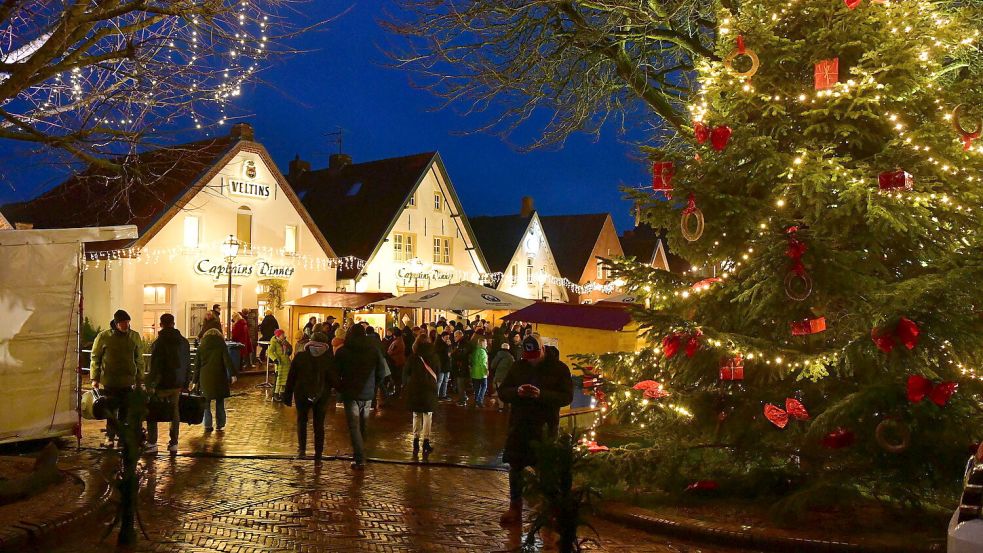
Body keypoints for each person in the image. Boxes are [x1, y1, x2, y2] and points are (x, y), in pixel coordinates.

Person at [497, 334, 573, 526]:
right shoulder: (518, 366)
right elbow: (503, 391)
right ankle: (515, 508)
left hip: (544, 428)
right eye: (528, 356)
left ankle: (549, 510)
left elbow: (566, 397)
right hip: (519, 426)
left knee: (545, 470)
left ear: (543, 349)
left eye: (535, 356)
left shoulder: (559, 369)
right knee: (516, 468)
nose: (531, 361)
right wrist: (517, 392)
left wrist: (542, 395)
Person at [335, 324, 390, 470]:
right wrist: (373, 385)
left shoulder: (343, 351)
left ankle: (359, 457)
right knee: (363, 423)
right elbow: (381, 372)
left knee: (354, 426)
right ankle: (361, 451)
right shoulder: (373, 350)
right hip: (367, 393)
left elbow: (335, 373)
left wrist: (340, 387)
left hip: (350, 393)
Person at [90, 310, 144, 448]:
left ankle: (121, 437)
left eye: (127, 322)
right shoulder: (104, 337)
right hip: (110, 381)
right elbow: (95, 358)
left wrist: (139, 378)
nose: (126, 325)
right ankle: (110, 436)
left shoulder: (134, 336)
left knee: (125, 410)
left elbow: (139, 358)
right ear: (116, 323)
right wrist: (94, 378)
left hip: (128, 381)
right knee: (111, 410)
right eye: (123, 323)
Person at [283, 331, 338, 462]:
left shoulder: (300, 356)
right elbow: (333, 379)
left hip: (301, 393)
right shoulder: (328, 358)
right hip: (321, 395)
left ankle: (301, 450)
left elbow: (291, 377)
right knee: (319, 424)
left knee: (302, 421)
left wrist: (287, 396)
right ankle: (318, 453)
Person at [146, 313, 190, 455]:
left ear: (161, 324)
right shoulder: (184, 342)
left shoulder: (159, 343)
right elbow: (187, 364)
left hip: (162, 384)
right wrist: (186, 382)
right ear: (173, 323)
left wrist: (151, 384)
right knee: (174, 412)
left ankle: (152, 442)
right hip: (177, 383)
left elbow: (155, 366)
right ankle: (174, 443)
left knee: (152, 411)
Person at [194, 328, 236, 432]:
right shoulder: (221, 345)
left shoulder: (201, 346)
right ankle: (220, 424)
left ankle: (207, 424)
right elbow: (227, 360)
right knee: (220, 401)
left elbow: (197, 366)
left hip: (205, 377)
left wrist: (194, 381)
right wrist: (232, 374)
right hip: (219, 376)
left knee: (206, 403)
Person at [403, 333, 439, 455]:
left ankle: (415, 442)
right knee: (428, 415)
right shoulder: (434, 356)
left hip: (415, 388)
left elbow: (406, 372)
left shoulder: (413, 357)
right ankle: (426, 442)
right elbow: (438, 371)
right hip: (429, 389)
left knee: (416, 415)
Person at [450, 330, 473, 406]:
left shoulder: (463, 344)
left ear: (460, 335)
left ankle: (462, 400)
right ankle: (464, 397)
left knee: (460, 384)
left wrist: (452, 354)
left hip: (461, 367)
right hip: (462, 367)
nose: (454, 338)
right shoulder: (463, 343)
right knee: (461, 384)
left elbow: (461, 355)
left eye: (456, 336)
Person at [490, 342, 515, 412]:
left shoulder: (498, 355)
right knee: (508, 391)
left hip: (499, 376)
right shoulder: (510, 357)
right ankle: (509, 405)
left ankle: (501, 407)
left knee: (500, 391)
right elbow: (513, 368)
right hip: (507, 377)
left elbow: (492, 366)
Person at [270, 329, 293, 402]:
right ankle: (276, 394)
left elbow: (289, 349)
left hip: (286, 363)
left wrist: (288, 347)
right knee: (279, 380)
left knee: (285, 380)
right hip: (280, 364)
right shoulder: (274, 342)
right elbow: (270, 352)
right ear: (278, 336)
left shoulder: (284, 342)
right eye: (282, 335)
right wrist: (275, 359)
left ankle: (282, 394)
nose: (284, 336)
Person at [470, 336, 489, 407]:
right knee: (484, 386)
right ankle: (479, 401)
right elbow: (483, 363)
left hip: (474, 372)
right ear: (482, 343)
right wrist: (486, 370)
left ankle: (476, 400)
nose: (486, 344)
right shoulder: (483, 351)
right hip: (481, 373)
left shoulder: (475, 350)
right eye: (486, 343)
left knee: (476, 388)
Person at [387, 327, 406, 396]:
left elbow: (391, 351)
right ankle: (396, 391)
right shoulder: (400, 341)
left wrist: (388, 353)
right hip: (399, 361)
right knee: (397, 378)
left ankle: (396, 392)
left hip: (396, 362)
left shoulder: (397, 342)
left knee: (396, 378)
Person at [434, 332, 452, 401]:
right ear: (442, 337)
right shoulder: (438, 344)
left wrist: (449, 346)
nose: (447, 339)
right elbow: (441, 354)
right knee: (440, 381)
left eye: (448, 337)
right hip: (441, 365)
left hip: (447, 365)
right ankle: (436, 396)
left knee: (446, 381)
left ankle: (443, 395)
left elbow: (449, 353)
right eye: (446, 337)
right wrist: (448, 346)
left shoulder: (447, 344)